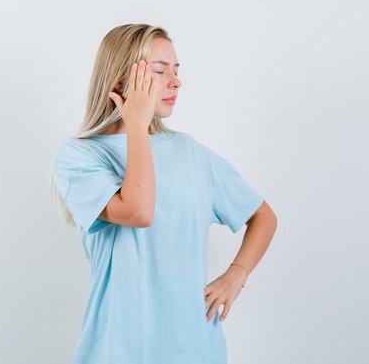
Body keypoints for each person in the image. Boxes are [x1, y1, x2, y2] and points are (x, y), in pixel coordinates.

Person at [51, 24, 277, 364]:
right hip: (118, 349)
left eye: (176, 71)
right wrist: (137, 127)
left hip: (195, 347)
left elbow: (262, 216)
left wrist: (237, 274)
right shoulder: (78, 156)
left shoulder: (190, 152)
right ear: (119, 82)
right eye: (158, 71)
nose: (175, 81)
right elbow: (138, 211)